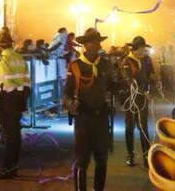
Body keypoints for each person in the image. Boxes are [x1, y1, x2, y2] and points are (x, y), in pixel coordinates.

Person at [63, 28, 114, 191]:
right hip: (84, 118)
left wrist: (126, 85)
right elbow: (66, 93)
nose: (97, 45)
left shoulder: (105, 64)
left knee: (102, 159)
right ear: (85, 44)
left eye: (98, 42)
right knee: (82, 161)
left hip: (101, 118)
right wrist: (70, 103)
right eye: (93, 42)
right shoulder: (75, 66)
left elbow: (111, 86)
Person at [0, 32, 31, 179]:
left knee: (9, 136)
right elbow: (27, 81)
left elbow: (5, 83)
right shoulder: (19, 57)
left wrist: (0, 101)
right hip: (20, 98)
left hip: (8, 98)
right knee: (15, 134)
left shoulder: (3, 58)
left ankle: (7, 169)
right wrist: (23, 99)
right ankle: (13, 168)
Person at [121, 36, 157, 168]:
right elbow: (129, 81)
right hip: (130, 99)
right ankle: (130, 154)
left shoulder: (147, 59)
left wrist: (152, 90)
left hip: (143, 98)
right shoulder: (126, 61)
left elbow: (152, 75)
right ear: (135, 49)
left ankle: (146, 155)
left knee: (143, 127)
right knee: (129, 127)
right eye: (142, 49)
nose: (144, 52)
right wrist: (143, 92)